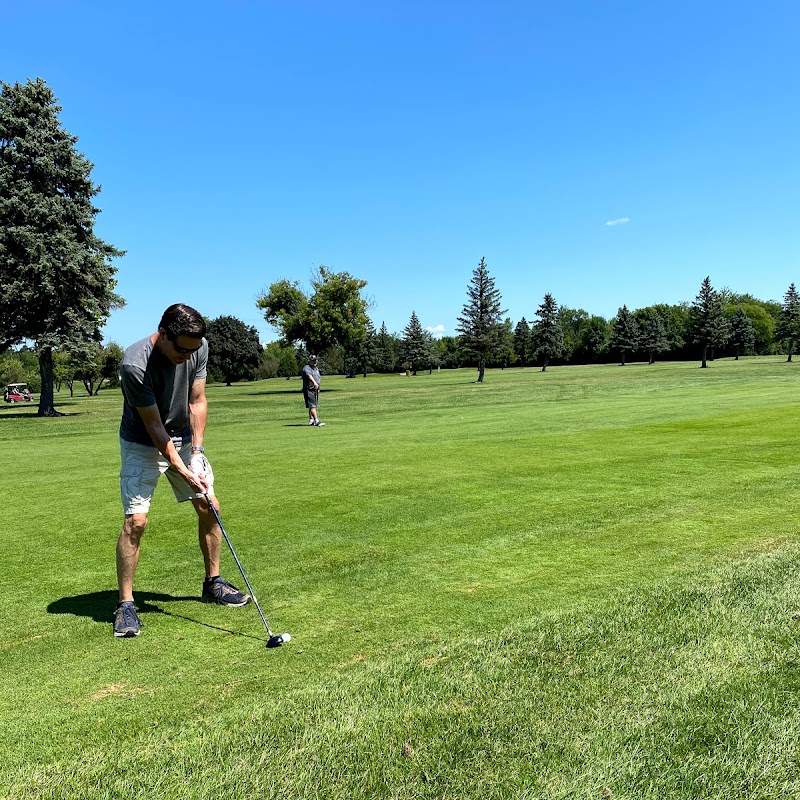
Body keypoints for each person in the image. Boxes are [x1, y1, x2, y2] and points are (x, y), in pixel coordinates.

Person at [113, 303, 250, 638]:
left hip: (184, 437)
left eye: (193, 350)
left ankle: (213, 583)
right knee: (136, 521)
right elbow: (154, 425)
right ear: (163, 334)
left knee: (209, 506)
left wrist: (198, 454)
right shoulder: (135, 364)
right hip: (143, 442)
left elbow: (196, 401)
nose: (187, 357)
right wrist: (179, 466)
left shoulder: (197, 347)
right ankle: (126, 605)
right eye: (181, 350)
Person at [302, 354, 325, 427]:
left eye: (315, 360)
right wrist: (315, 383)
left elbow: (318, 377)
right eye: (313, 360)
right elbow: (309, 376)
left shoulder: (316, 368)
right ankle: (317, 421)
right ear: (310, 361)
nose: (315, 362)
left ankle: (311, 419)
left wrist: (318, 387)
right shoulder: (307, 368)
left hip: (315, 389)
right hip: (309, 389)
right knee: (312, 406)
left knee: (312, 405)